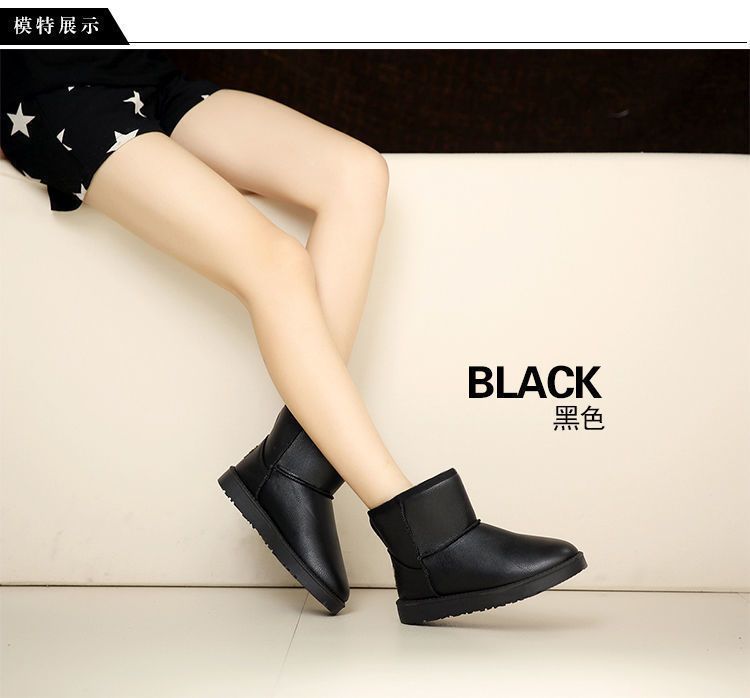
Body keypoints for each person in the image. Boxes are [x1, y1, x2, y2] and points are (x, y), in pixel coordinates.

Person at [1, 48, 587, 624]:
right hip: (46, 93)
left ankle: (293, 468)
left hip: (143, 76)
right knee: (277, 264)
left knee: (358, 173)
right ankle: (425, 540)